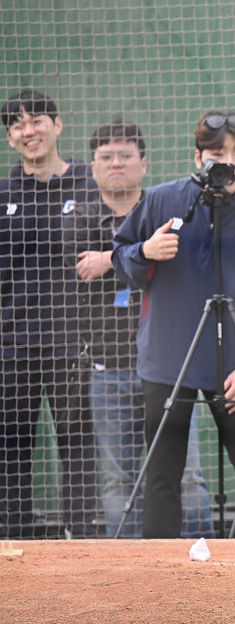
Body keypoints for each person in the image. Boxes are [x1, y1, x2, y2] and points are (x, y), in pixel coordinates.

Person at [111, 110, 235, 539]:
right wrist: (145, 251)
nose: (227, 163)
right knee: (162, 473)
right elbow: (121, 256)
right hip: (167, 359)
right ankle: (160, 570)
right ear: (198, 157)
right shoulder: (160, 201)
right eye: (217, 154)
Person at [64, 119, 214, 539]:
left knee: (187, 474)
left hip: (169, 368)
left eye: (126, 156)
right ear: (93, 167)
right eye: (107, 157)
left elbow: (178, 267)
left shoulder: (166, 210)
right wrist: (140, 256)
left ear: (143, 164)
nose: (117, 164)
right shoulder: (78, 219)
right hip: (107, 368)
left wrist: (110, 259)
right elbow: (82, 271)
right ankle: (128, 565)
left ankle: (200, 556)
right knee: (119, 478)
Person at [0, 90, 100, 539]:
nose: (28, 131)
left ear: (57, 126)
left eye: (36, 120)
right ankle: (12, 537)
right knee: (11, 448)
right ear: (10, 139)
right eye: (17, 125)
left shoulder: (90, 184)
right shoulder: (3, 193)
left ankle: (80, 537)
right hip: (12, 346)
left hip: (72, 344)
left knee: (76, 446)